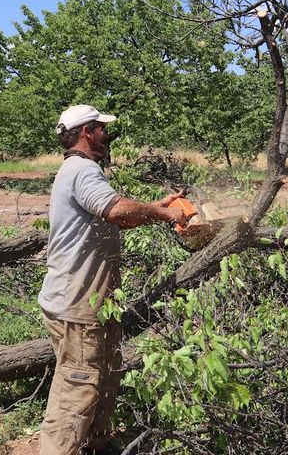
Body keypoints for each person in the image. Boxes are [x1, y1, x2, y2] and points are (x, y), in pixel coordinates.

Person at [38, 104, 190, 455]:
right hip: (77, 303)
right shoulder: (83, 170)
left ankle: (96, 446)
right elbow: (117, 212)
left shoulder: (77, 170)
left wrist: (155, 204)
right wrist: (165, 213)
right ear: (88, 131)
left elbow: (110, 206)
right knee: (77, 388)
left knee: (103, 377)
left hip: (90, 303)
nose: (108, 135)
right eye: (102, 128)